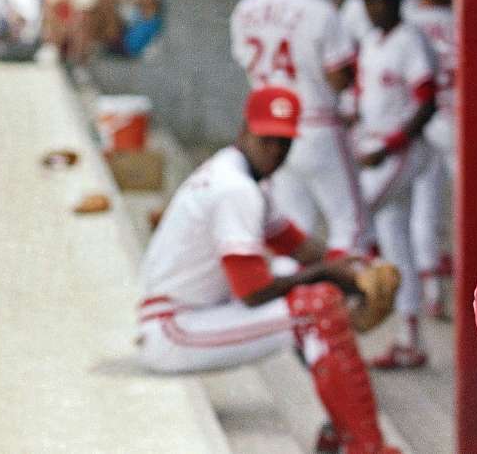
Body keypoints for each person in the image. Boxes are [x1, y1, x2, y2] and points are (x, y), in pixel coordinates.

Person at [135, 86, 402, 454]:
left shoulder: (236, 173)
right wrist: (329, 276)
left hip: (188, 316)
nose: (275, 150)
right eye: (267, 139)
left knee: (306, 286)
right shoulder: (236, 189)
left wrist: (359, 270)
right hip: (175, 329)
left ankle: (344, 435)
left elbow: (303, 249)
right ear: (245, 130)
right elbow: (252, 290)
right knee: (316, 307)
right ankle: (365, 446)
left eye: (284, 141)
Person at [230, 0, 367, 258]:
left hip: (268, 131)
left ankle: (300, 306)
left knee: (293, 230)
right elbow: (339, 79)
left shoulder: (245, 8)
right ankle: (340, 303)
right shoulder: (320, 11)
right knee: (350, 225)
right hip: (316, 124)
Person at [350, 0, 438, 369]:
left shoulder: (409, 40)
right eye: (368, 0)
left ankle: (349, 312)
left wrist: (389, 145)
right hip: (373, 144)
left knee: (353, 218)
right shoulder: (371, 42)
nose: (374, 7)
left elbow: (426, 103)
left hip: (402, 150)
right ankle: (409, 338)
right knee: (395, 241)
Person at [402, 0, 456, 318]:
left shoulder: (405, 21)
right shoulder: (465, 17)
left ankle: (433, 293)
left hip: (423, 122)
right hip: (458, 122)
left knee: (425, 211)